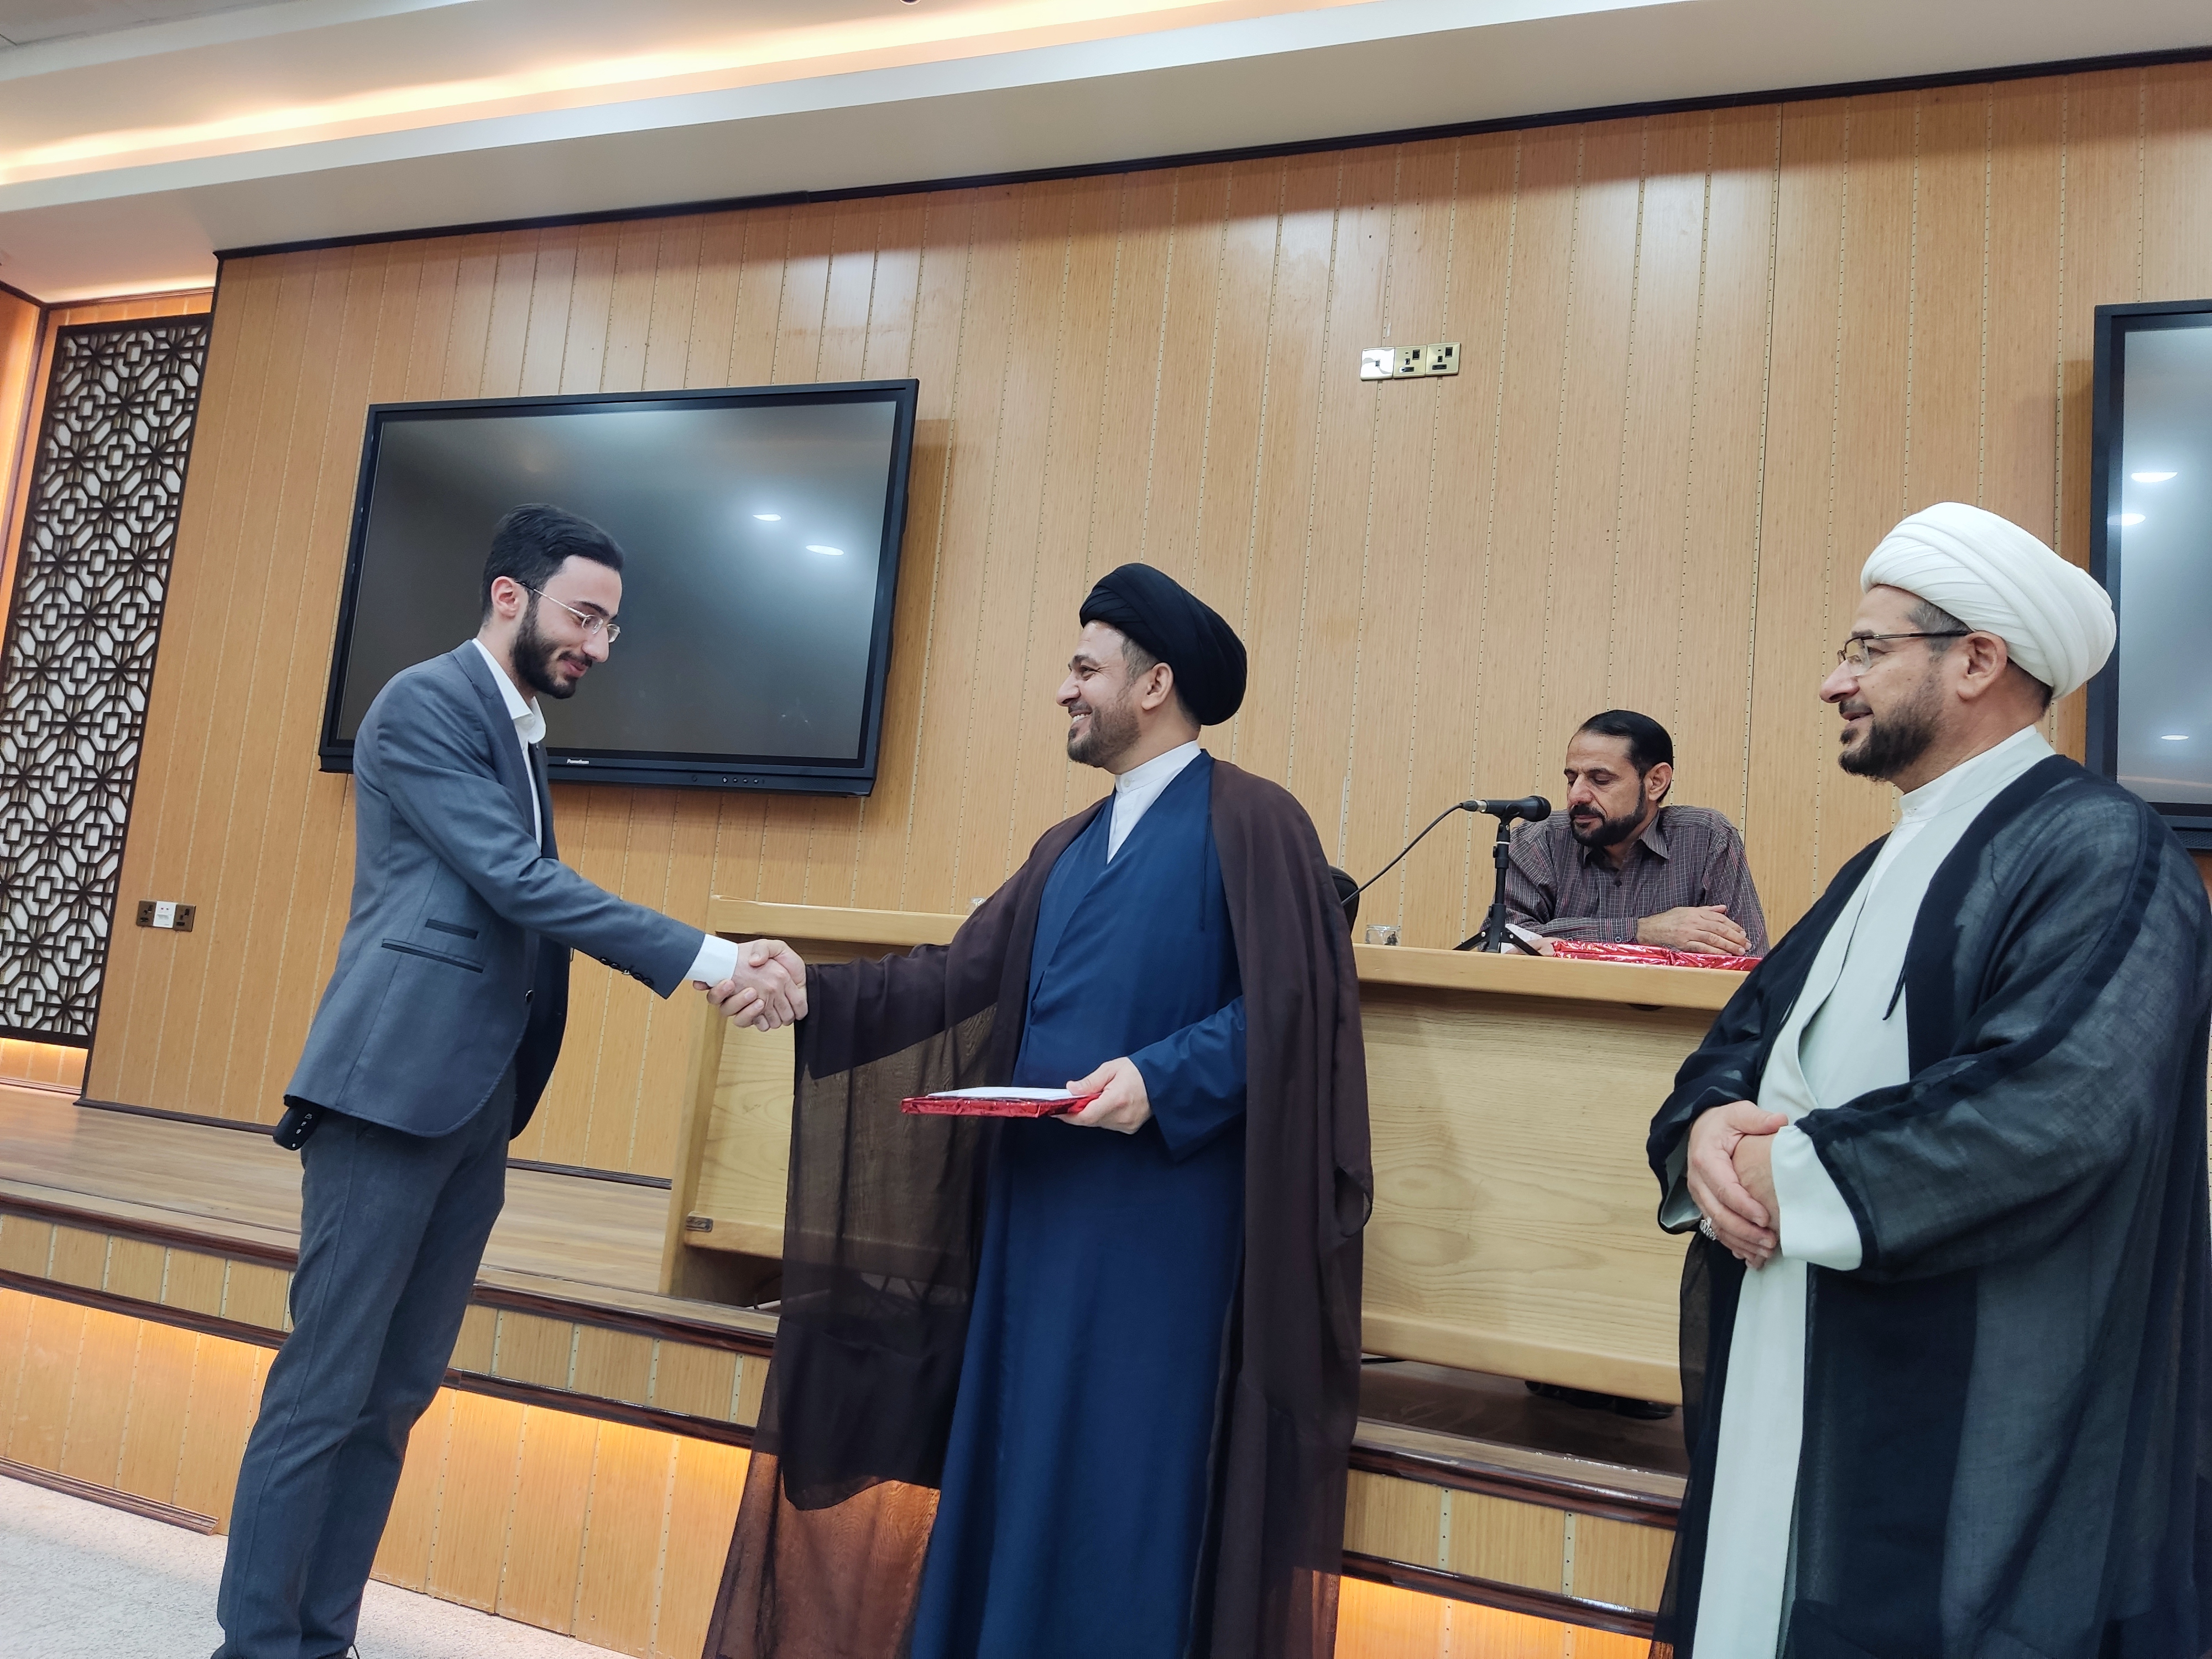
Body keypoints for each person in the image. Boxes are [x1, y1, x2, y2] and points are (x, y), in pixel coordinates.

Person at [701, 564, 1371, 1659]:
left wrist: (1160, 1078)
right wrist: (811, 987)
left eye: (1083, 669)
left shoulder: (1256, 822)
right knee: (1022, 1459)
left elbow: (1299, 1009)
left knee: (1125, 1479)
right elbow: (955, 977)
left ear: (1153, 684)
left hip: (1162, 1236)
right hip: (1036, 1218)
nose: (1064, 690)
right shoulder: (1065, 845)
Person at [212, 505, 802, 1659]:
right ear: (507, 595)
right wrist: (713, 959)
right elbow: (517, 881)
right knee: (324, 1391)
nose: (599, 644)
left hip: (474, 1101)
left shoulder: (518, 729)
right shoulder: (424, 704)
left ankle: (318, 1641)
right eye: (585, 616)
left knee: (394, 1397)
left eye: (614, 626)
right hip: (387, 1094)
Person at [1646, 502, 2212, 1657]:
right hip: (1792, 1342)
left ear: (1977, 662)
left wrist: (1787, 1173)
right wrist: (1704, 1131)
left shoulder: (2102, 848)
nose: (1833, 682)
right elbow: (1740, 1043)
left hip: (1963, 1391)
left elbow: (2062, 1105)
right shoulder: (1883, 860)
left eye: (1865, 649)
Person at [1506, 709, 1768, 957]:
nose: (1576, 795)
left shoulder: (1705, 838)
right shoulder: (1538, 840)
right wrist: (1643, 932)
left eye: (1601, 780)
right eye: (1572, 779)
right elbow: (1506, 941)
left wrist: (1562, 938)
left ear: (1656, 782)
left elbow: (1746, 959)